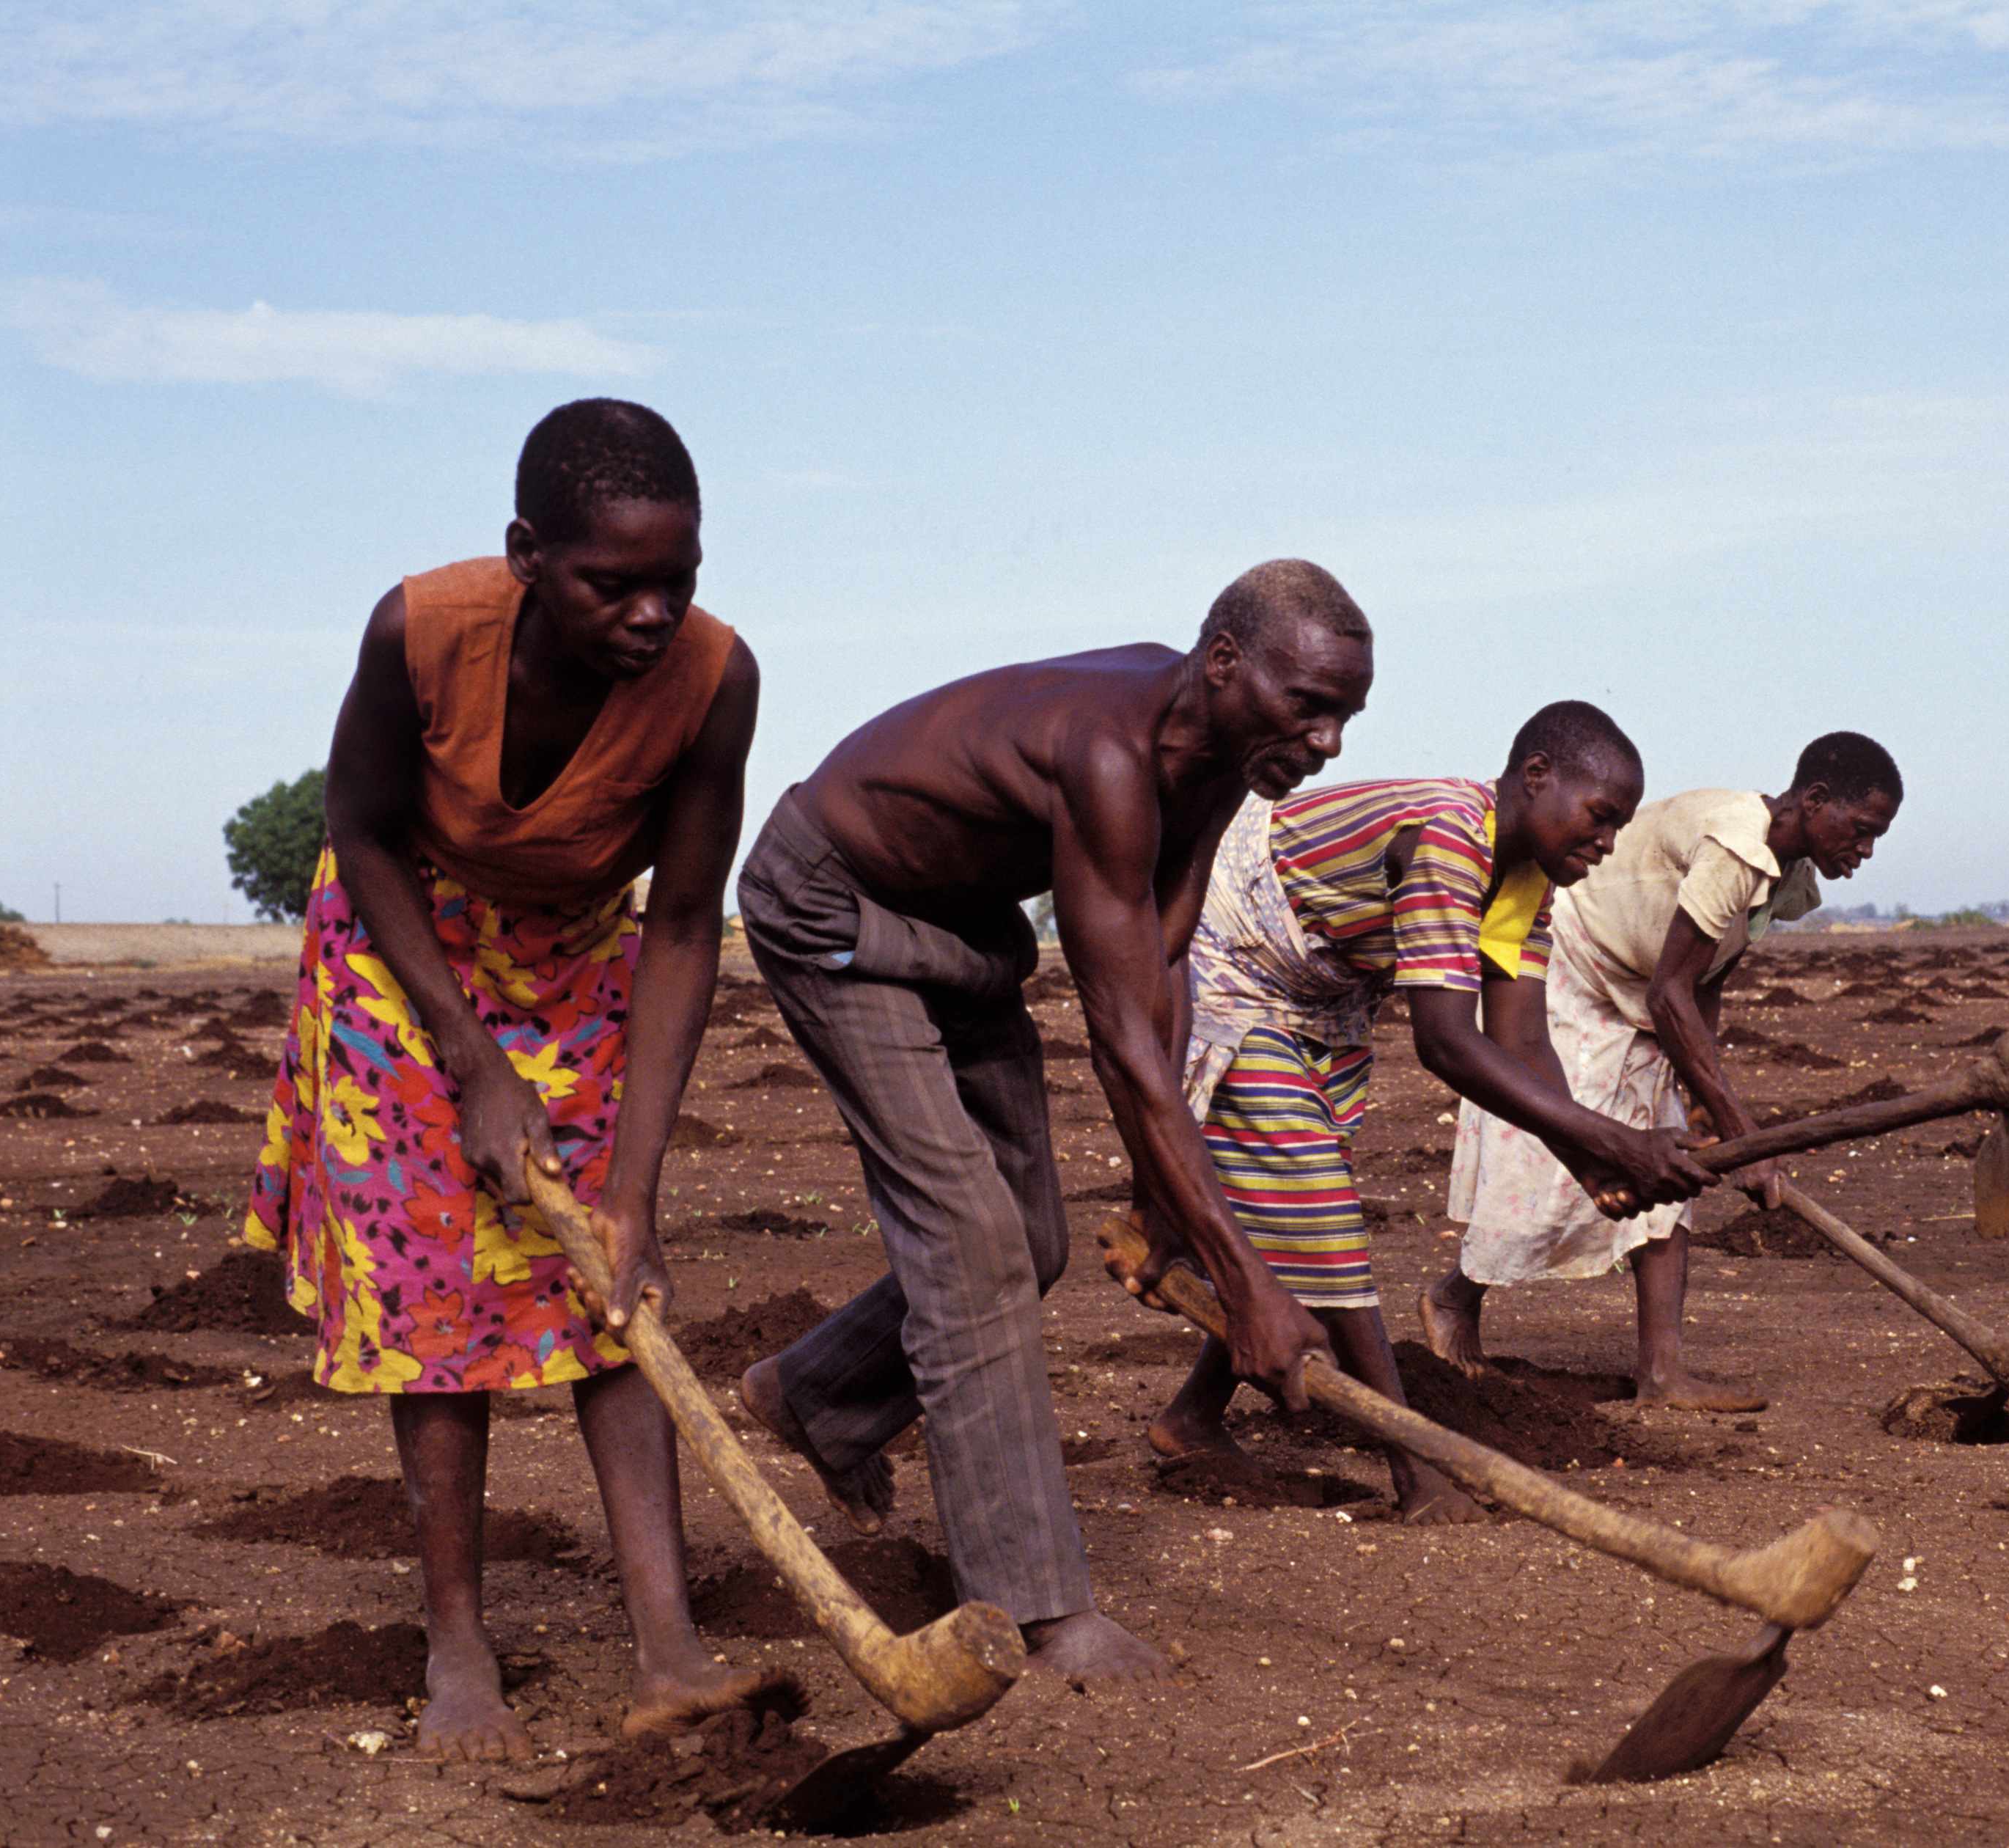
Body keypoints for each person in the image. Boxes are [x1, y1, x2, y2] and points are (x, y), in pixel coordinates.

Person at [733, 560, 1373, 1684]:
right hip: (834, 906)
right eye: (1308, 706)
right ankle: (1034, 1609)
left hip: (962, 929)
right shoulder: (1111, 756)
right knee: (972, 1249)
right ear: (1224, 664)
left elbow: (1162, 968)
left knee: (1031, 1239)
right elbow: (1122, 1044)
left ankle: (817, 1394)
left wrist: (1157, 1200)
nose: (1326, 743)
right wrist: (1247, 1290)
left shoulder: (1218, 757)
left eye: (1344, 717)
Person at [243, 400, 768, 1761]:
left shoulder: (715, 681)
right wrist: (470, 1066)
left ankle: (668, 1646)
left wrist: (635, 1191)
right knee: (433, 1286)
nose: (654, 614)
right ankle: (458, 1640)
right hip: (399, 943)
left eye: (680, 579)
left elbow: (687, 924)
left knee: (612, 1277)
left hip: (581, 954)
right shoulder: (419, 631)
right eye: (616, 583)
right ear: (529, 552)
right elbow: (356, 829)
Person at [1145, 701, 1718, 1519]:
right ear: (1535, 777)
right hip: (1226, 957)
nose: (1607, 843)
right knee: (1318, 1202)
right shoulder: (1451, 835)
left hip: (1316, 992)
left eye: (1619, 826)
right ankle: (1415, 1466)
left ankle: (1192, 1417)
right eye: (1599, 817)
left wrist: (1591, 1159)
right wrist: (1611, 1140)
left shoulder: (1524, 882)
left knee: (1299, 1218)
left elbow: (1520, 1040)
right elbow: (1444, 1043)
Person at [1420, 733, 1904, 1409]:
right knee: (1554, 1157)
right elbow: (1671, 995)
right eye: (1861, 830)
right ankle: (1453, 1296)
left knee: (1670, 1168)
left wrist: (1707, 1105)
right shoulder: (1739, 844)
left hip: (1643, 990)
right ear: (1816, 801)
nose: (1865, 850)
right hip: (1572, 967)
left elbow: (1704, 980)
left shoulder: (1785, 874)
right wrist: (1744, 1129)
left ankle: (1662, 1373)